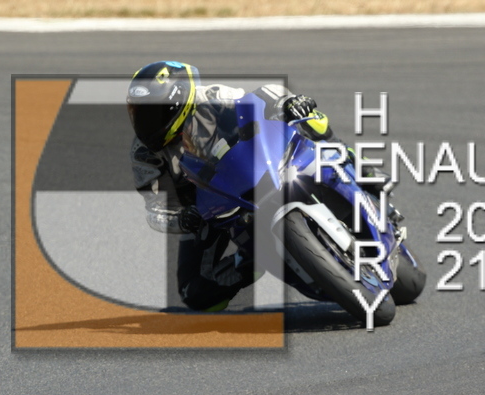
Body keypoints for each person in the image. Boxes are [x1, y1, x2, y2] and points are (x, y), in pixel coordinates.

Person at [126, 60, 390, 312]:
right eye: (138, 113)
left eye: (152, 112)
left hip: (257, 165)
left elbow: (261, 97)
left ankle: (354, 161)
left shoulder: (212, 97)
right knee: (194, 293)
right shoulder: (144, 154)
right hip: (209, 210)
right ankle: (248, 261)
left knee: (310, 118)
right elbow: (155, 208)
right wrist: (182, 219)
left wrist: (288, 103)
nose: (145, 122)